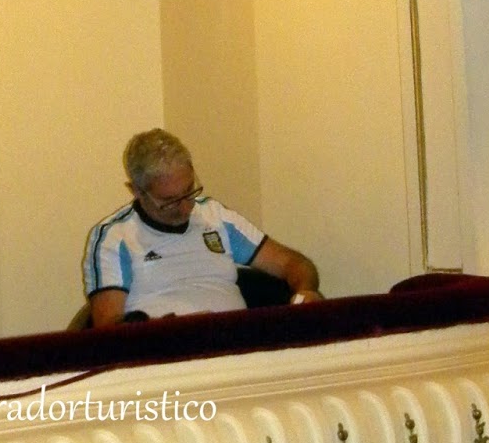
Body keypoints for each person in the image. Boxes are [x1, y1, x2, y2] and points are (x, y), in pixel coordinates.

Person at [82, 129, 322, 327]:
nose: (186, 207)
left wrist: (306, 290)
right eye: (170, 201)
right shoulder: (114, 237)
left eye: (189, 191)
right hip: (165, 360)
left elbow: (295, 264)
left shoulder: (216, 216)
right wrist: (177, 327)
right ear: (136, 191)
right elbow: (108, 330)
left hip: (238, 348)